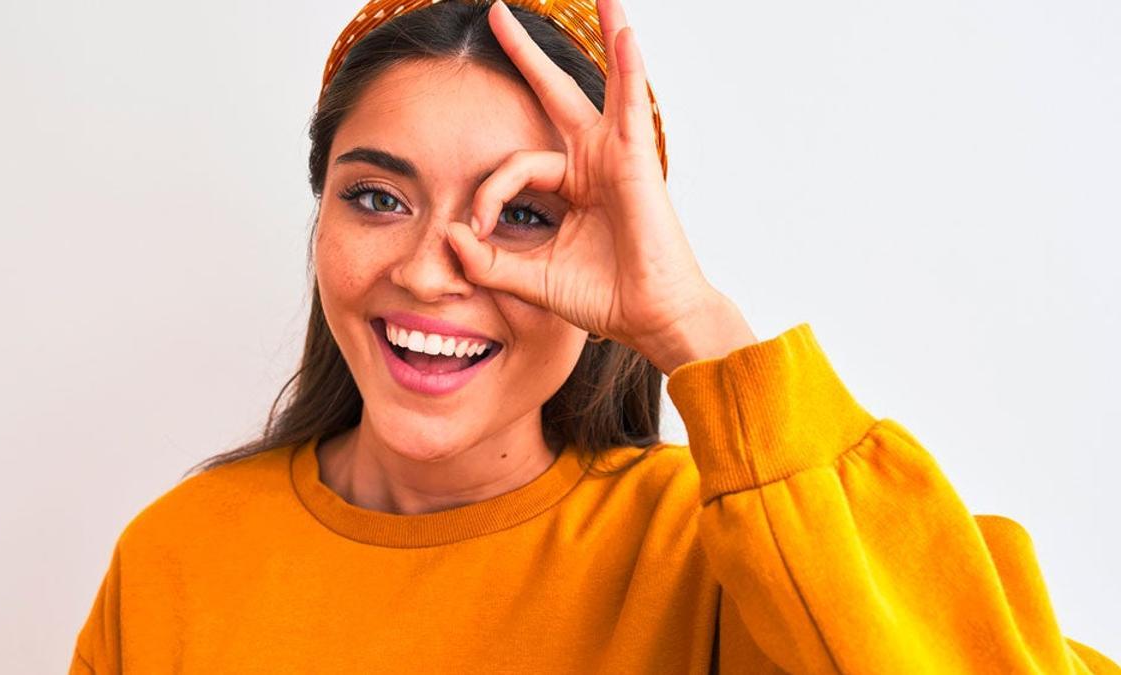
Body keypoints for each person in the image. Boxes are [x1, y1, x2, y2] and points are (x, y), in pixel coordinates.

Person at [68, 0, 1120, 672]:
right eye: (378, 197)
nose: (431, 268)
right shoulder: (177, 557)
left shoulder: (717, 555)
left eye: (525, 214)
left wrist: (696, 326)